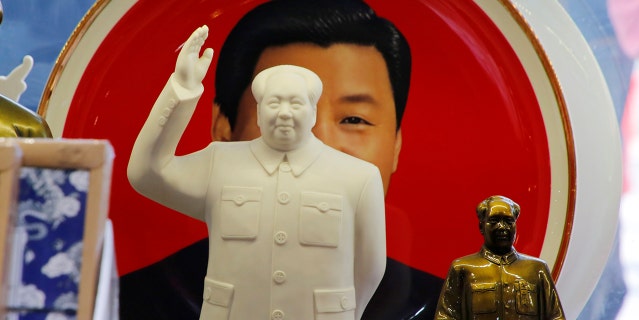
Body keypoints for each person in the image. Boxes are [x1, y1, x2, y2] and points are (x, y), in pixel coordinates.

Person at [120, 0, 444, 319]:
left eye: (354, 119)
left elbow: (369, 266)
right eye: (274, 103)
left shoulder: (357, 178)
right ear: (231, 123)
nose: (285, 114)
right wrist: (182, 90)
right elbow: (147, 173)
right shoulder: (219, 163)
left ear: (397, 142)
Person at [434, 195, 565, 320]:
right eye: (494, 220)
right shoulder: (462, 269)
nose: (502, 227)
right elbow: (445, 316)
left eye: (508, 221)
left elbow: (555, 316)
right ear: (481, 226)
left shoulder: (537, 269)